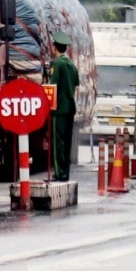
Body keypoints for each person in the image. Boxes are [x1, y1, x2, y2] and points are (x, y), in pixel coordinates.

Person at [48, 30, 80, 182]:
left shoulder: (57, 64)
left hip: (59, 108)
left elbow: (52, 86)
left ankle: (59, 172)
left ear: (55, 48)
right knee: (67, 142)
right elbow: (75, 84)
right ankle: (65, 173)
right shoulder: (72, 66)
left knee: (57, 142)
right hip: (70, 108)